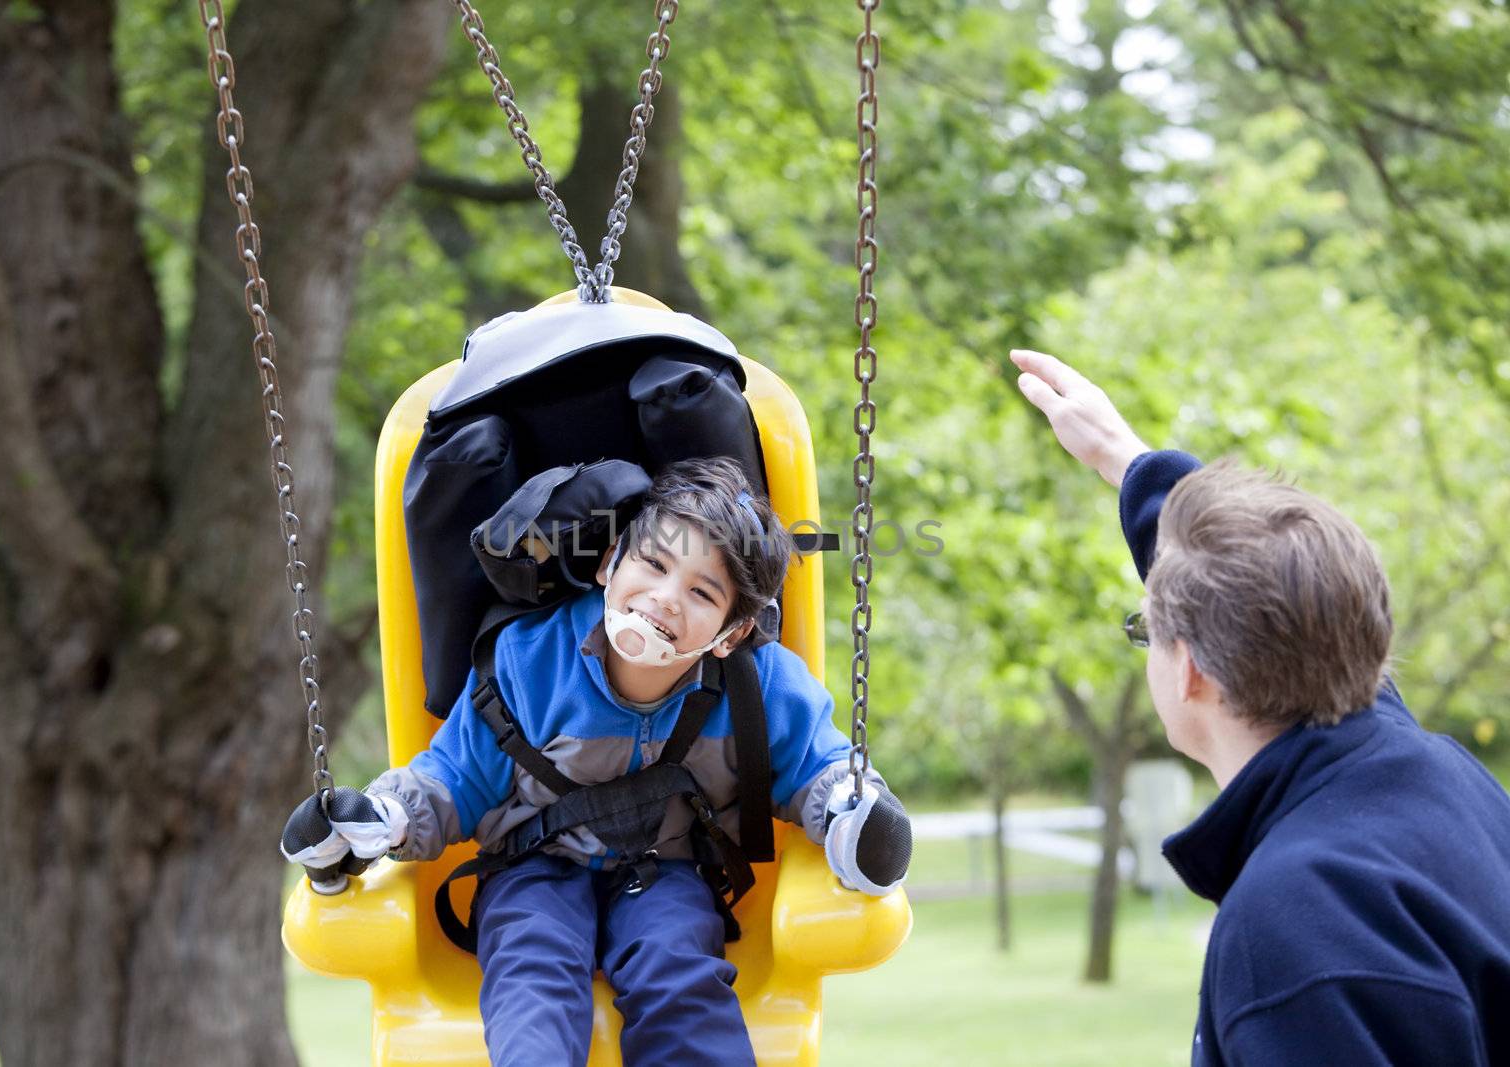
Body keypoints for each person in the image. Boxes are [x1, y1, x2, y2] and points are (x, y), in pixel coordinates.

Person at [281, 457, 913, 1067]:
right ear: (611, 563)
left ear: (732, 631)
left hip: (667, 870)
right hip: (533, 867)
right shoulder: (530, 657)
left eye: (701, 591)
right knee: (532, 982)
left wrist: (851, 814)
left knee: (680, 978)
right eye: (654, 564)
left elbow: (819, 764)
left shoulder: (760, 685)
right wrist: (382, 819)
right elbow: (457, 774)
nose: (665, 598)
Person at [1012, 348, 1510, 1064]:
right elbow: (1278, 580)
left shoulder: (1295, 927)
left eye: (1144, 629)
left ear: (1190, 670)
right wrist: (1126, 461)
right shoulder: (1432, 771)